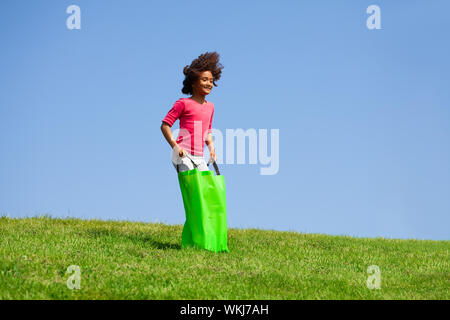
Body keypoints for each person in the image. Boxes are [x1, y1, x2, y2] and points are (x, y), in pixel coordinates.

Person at [160, 52, 224, 173]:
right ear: (193, 83)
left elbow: (207, 132)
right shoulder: (183, 103)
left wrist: (212, 150)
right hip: (183, 155)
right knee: (192, 186)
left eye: (211, 81)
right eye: (204, 80)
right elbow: (165, 125)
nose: (209, 84)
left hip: (200, 158)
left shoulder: (211, 107)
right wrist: (175, 146)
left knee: (207, 188)